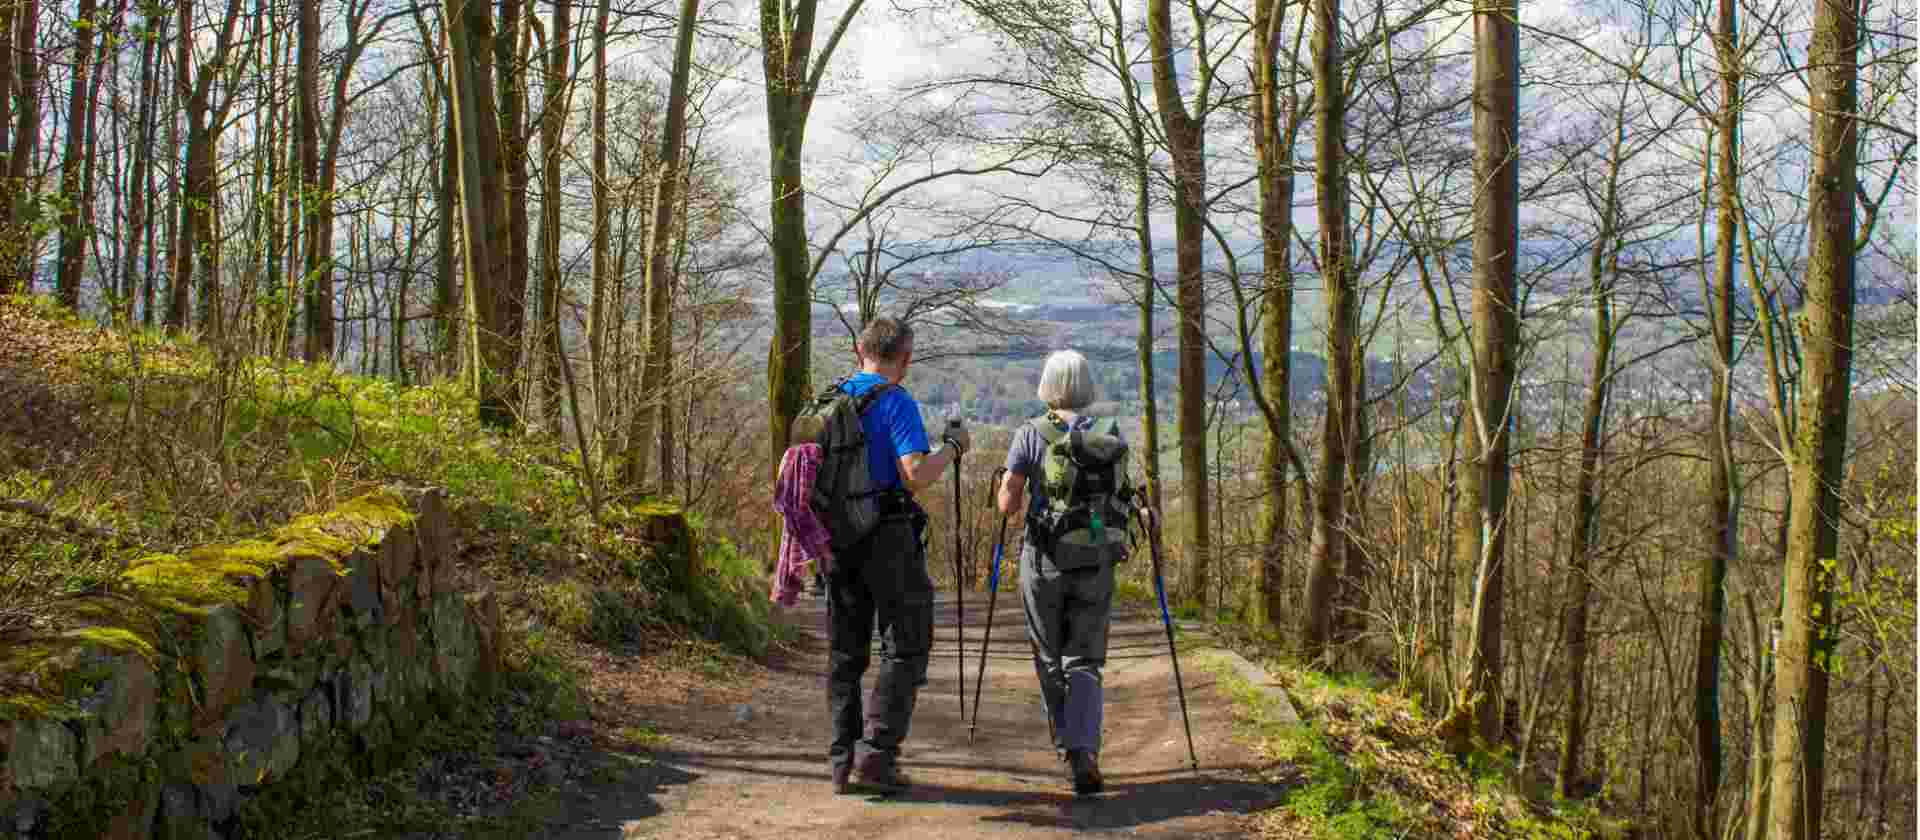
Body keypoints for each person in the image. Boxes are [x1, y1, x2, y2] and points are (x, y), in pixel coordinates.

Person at [825, 317, 969, 795]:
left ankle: (841, 763)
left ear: (858, 350)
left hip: (837, 537)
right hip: (887, 536)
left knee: (846, 652)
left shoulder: (831, 398)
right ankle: (878, 755)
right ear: (904, 358)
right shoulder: (895, 401)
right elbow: (915, 474)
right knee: (906, 643)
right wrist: (951, 449)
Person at [997, 349, 1122, 796]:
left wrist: (1007, 487)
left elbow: (1009, 505)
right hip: (1096, 558)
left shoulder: (1031, 433)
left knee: (1049, 657)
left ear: (1048, 386)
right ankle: (1085, 749)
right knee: (1085, 659)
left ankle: (1069, 750)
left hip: (1045, 559)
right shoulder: (1108, 432)